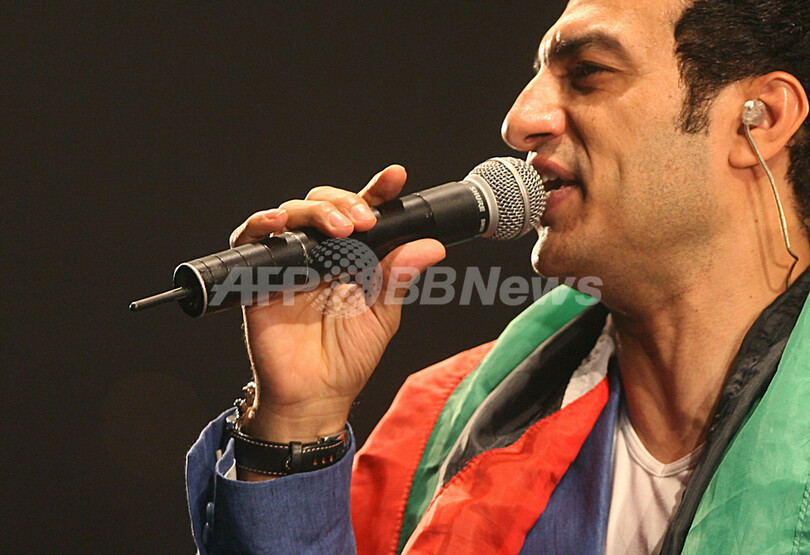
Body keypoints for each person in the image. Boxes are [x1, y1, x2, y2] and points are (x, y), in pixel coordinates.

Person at [186, 0, 810, 553]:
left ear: (759, 119)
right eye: (537, 75)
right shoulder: (435, 429)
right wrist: (296, 424)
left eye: (588, 71)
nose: (519, 121)